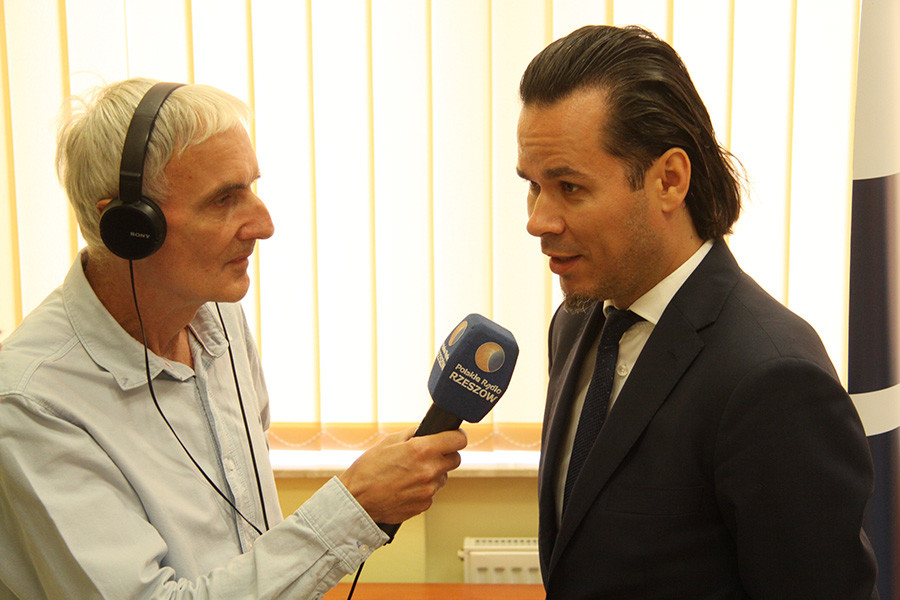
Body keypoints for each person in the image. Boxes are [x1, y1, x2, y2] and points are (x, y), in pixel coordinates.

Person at [0, 78, 467, 599]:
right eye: (224, 199)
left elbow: (246, 541)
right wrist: (354, 505)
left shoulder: (216, 316)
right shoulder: (32, 404)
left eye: (251, 188)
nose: (263, 225)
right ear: (129, 228)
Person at [516, 25, 878, 599]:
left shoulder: (773, 379)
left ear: (669, 180)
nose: (538, 220)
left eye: (569, 187)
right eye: (533, 186)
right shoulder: (578, 321)